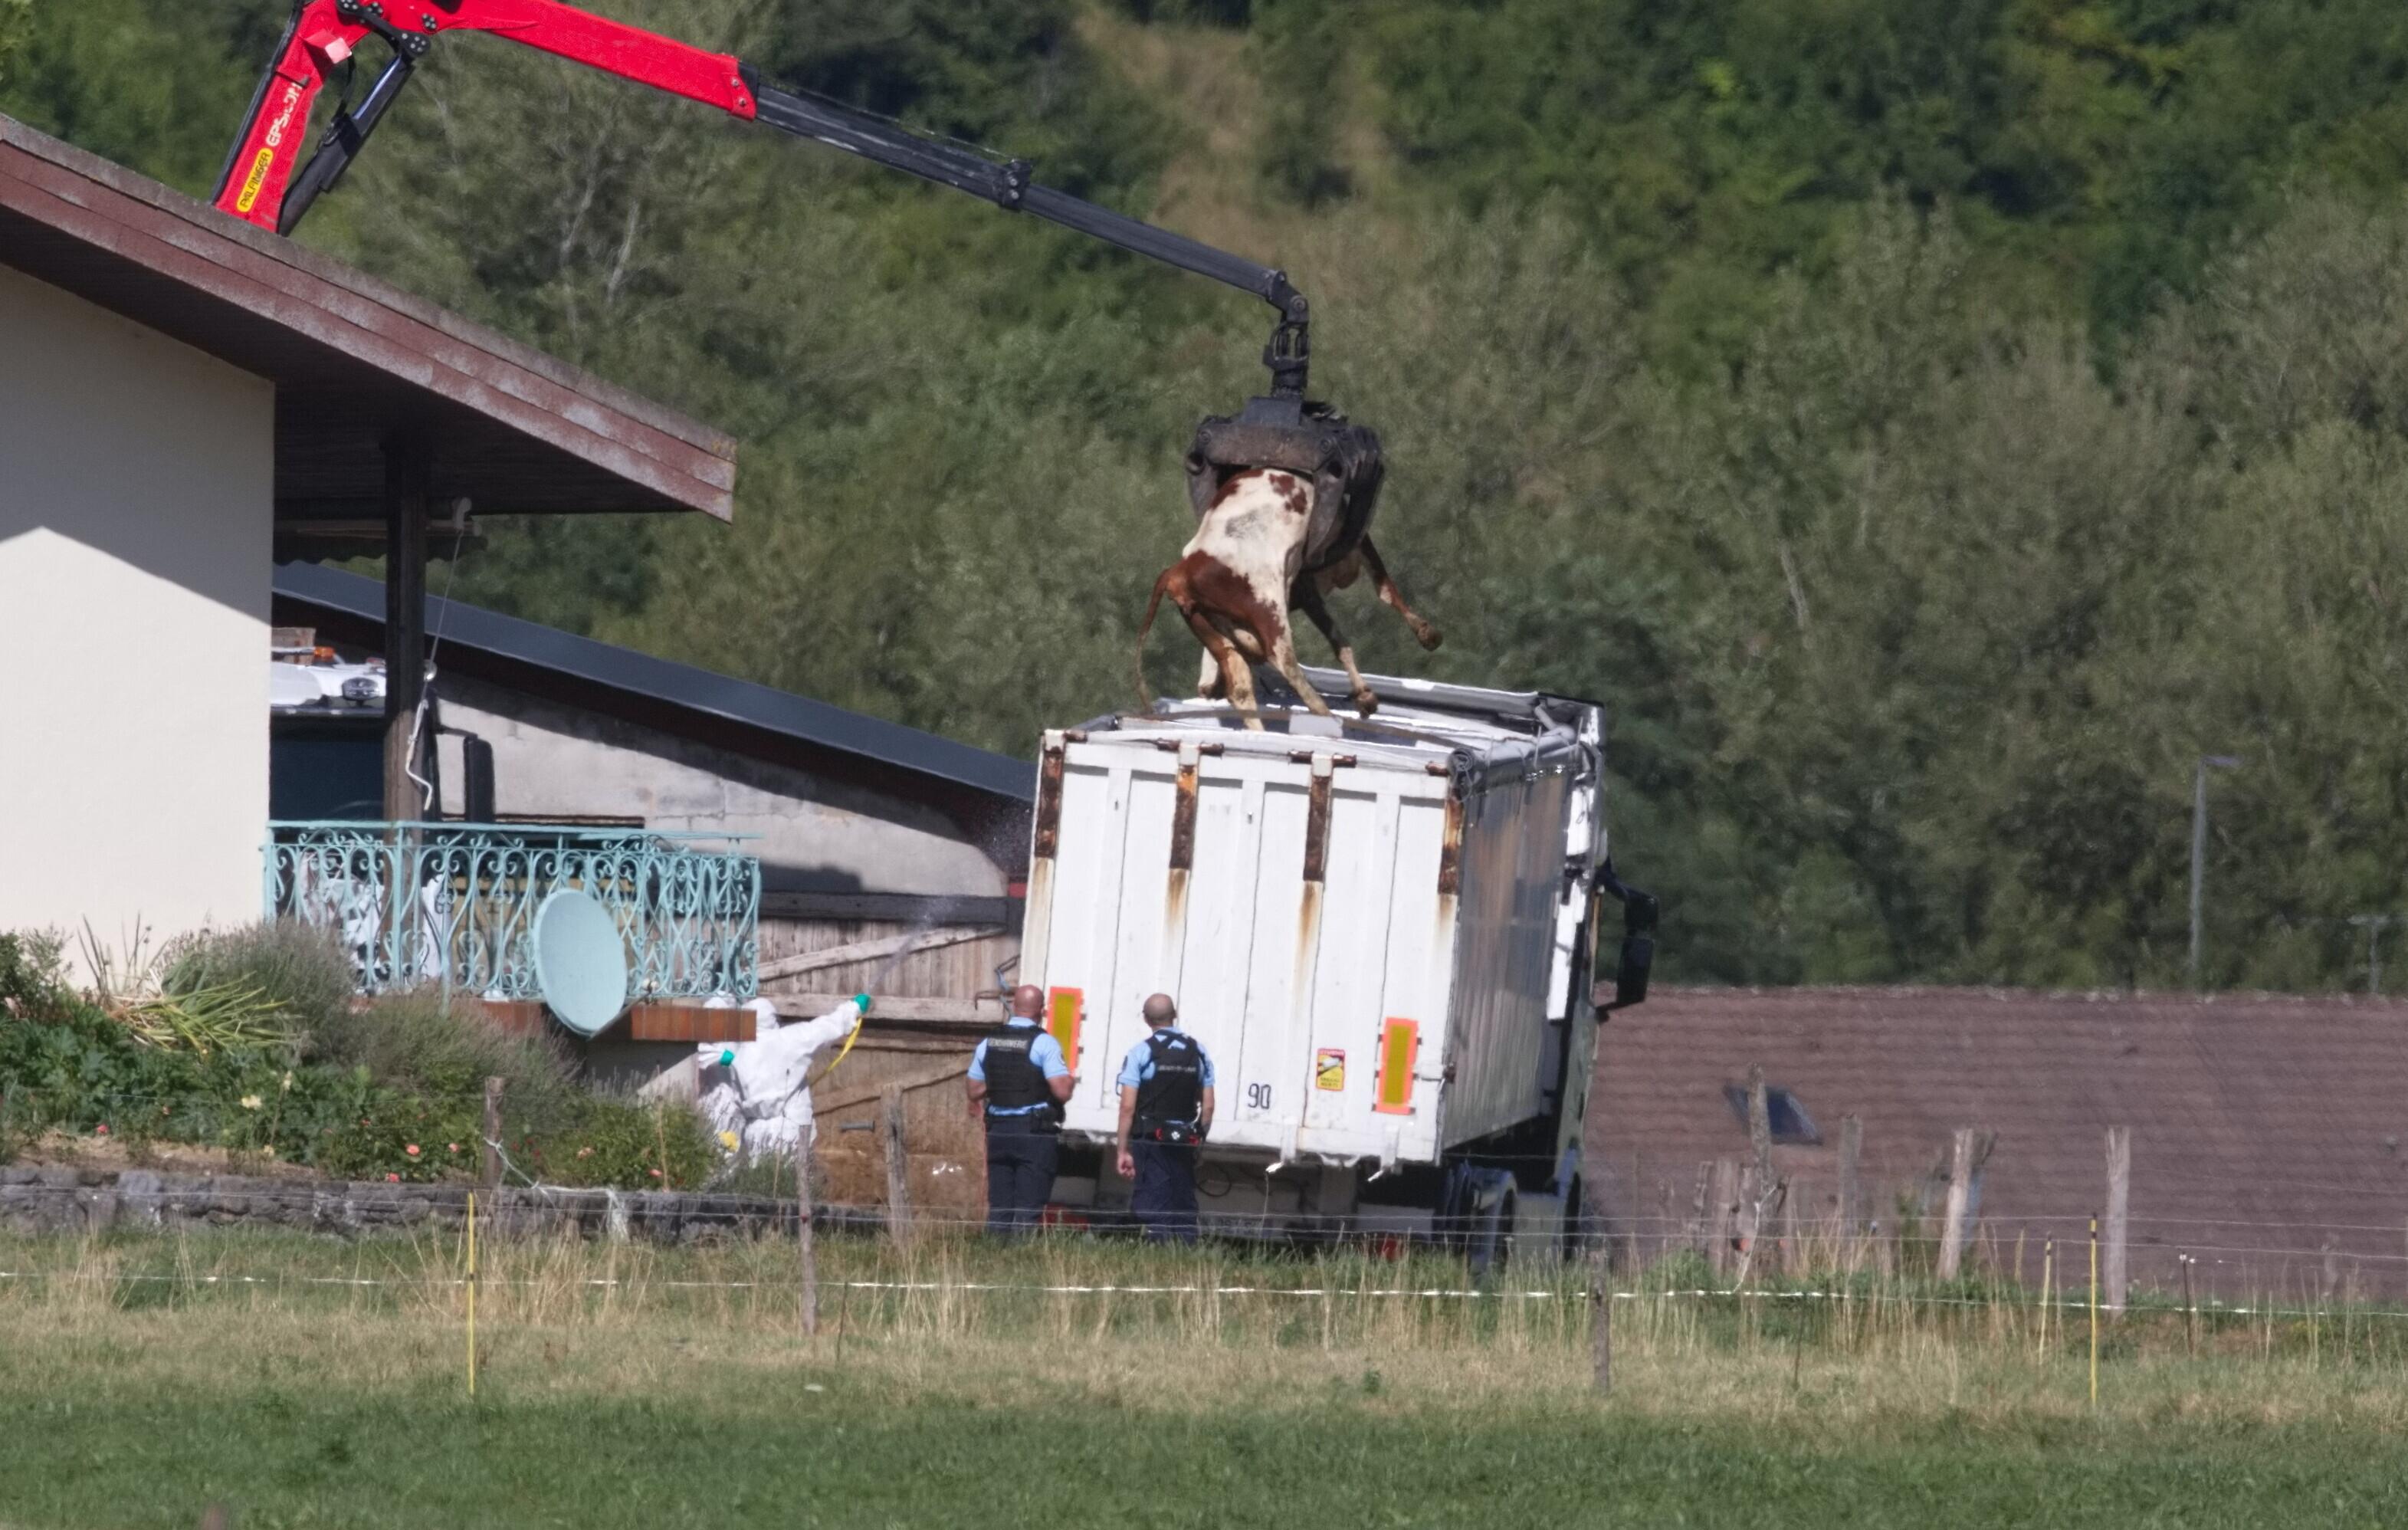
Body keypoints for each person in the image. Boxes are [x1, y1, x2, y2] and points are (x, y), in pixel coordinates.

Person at [697, 993, 868, 1167]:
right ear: (772, 1018)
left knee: (759, 1185)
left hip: (755, 1133)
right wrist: (854, 1008)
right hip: (790, 1131)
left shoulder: (737, 1053)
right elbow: (826, 1027)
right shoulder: (790, 1039)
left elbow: (709, 1056)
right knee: (792, 1187)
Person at [966, 983, 1074, 1234]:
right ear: (1042, 1010)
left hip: (998, 1132)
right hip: (1033, 1132)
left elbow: (973, 1091)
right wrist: (1068, 1082)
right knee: (1029, 1205)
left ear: (1014, 1006)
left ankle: (993, 1255)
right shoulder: (1045, 1043)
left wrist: (999, 1083)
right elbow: (1061, 1092)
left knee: (1000, 1205)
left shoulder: (988, 1042)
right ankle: (1021, 1257)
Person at [1115, 993, 1215, 1243]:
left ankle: (1156, 1254)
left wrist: (1122, 1150)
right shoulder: (1198, 1052)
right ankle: (1185, 1254)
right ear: (1175, 1015)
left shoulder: (1141, 1053)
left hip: (1150, 1140)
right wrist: (1199, 1141)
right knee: (1182, 1201)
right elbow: (1209, 1106)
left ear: (1146, 1019)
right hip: (1183, 1140)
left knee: (1153, 1200)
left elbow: (1127, 1107)